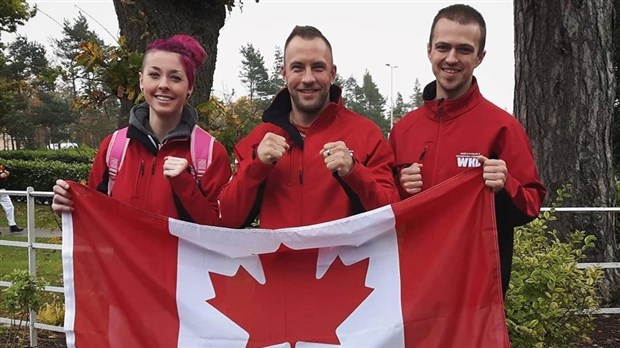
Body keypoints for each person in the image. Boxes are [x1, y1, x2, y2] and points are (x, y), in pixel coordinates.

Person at [389, 4, 547, 296]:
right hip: (412, 286)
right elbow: (383, 207)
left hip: (476, 293)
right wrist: (400, 190)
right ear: (429, 51)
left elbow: (531, 204)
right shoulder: (403, 130)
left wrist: (505, 186)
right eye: (443, 47)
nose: (451, 58)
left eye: (463, 49)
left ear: (480, 57)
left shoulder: (503, 127)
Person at [218, 25, 399, 229]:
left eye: (318, 67)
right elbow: (227, 220)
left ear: (332, 73)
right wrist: (257, 166)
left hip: (342, 261)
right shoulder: (259, 140)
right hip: (276, 261)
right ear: (284, 73)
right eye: (297, 68)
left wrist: (354, 172)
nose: (308, 78)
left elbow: (391, 214)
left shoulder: (367, 134)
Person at [52, 34, 231, 225]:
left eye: (176, 78)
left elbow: (220, 230)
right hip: (122, 256)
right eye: (154, 75)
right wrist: (69, 207)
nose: (163, 85)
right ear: (141, 81)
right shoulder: (114, 147)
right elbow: (96, 219)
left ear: (190, 87)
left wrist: (185, 184)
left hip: (180, 256)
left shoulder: (210, 153)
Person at [0, 165, 23, 233]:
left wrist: (6, 173)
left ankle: (12, 225)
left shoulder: (2, 167)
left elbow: (8, 171)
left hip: (2, 190)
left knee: (10, 207)